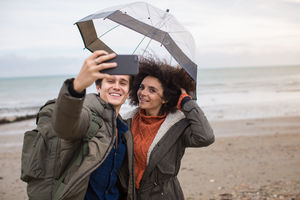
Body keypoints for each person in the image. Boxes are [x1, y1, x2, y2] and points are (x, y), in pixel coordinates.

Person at [123, 58, 215, 199]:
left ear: (165, 98)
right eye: (141, 87)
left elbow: (205, 137)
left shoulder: (177, 126)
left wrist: (187, 102)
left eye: (152, 90)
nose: (143, 93)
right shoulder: (127, 121)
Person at [52, 50, 135, 200]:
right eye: (110, 81)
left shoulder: (124, 131)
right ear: (98, 87)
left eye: (123, 83)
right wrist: (76, 88)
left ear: (128, 93)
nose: (117, 86)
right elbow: (65, 127)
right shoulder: (87, 115)